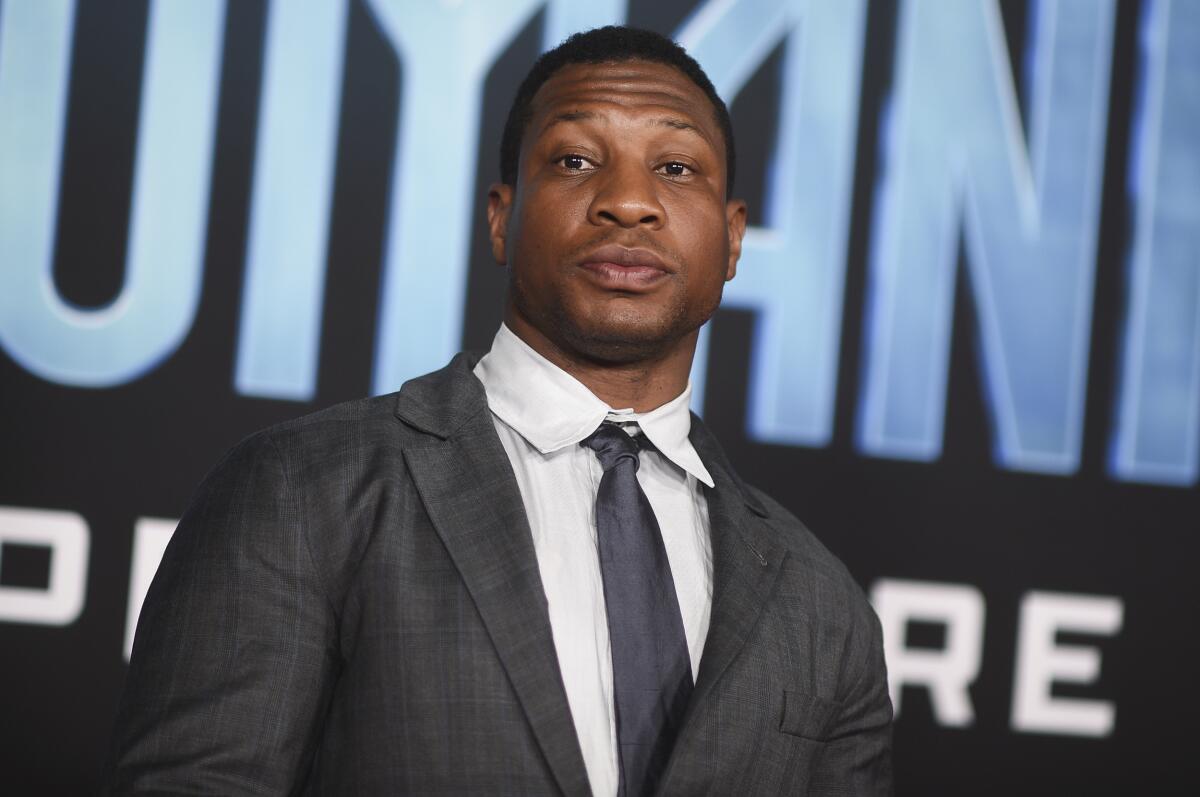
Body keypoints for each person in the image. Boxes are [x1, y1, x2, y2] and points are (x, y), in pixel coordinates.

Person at [105, 26, 892, 796]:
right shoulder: (302, 489)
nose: (627, 201)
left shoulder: (823, 606)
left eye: (677, 166)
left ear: (731, 240)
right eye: (576, 160)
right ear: (499, 218)